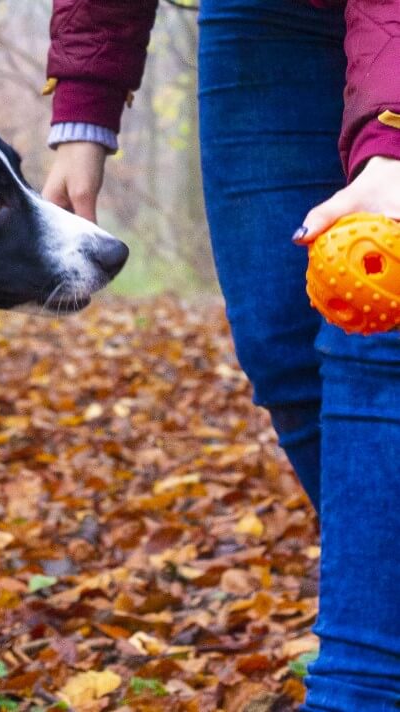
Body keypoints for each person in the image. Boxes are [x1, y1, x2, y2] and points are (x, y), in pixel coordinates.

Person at [41, 1, 400, 710]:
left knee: (375, 320)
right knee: (281, 344)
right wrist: (85, 100)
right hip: (263, 21)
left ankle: (359, 687)